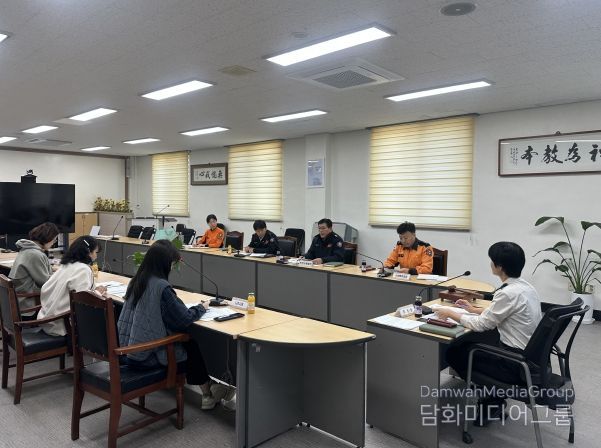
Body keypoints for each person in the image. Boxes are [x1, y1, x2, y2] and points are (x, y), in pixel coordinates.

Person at [436, 242, 542, 425]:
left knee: (454, 352)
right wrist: (472, 309)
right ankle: (492, 397)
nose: (490, 263)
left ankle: (490, 399)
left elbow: (481, 325)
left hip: (513, 364)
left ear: (499, 267)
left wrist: (450, 313)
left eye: (492, 261)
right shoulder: (526, 288)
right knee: (475, 344)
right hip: (531, 358)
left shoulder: (508, 293)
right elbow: (501, 313)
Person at [117, 240, 219, 410]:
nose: (172, 267)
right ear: (164, 263)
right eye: (171, 263)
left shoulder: (137, 280)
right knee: (189, 342)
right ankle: (208, 392)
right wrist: (202, 307)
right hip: (146, 357)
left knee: (187, 342)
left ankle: (210, 389)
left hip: (128, 350)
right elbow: (183, 320)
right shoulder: (161, 286)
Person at [38, 236, 107, 336]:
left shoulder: (66, 265)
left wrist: (92, 291)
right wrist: (97, 293)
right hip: (62, 326)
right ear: (88, 252)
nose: (96, 256)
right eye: (96, 252)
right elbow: (83, 302)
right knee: (108, 319)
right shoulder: (83, 269)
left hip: (47, 320)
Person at [9, 222, 60, 313]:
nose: (53, 243)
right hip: (28, 304)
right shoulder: (35, 254)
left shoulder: (26, 249)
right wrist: (62, 274)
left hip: (19, 299)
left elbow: (36, 269)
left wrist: (53, 269)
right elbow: (45, 282)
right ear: (48, 238)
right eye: (54, 240)